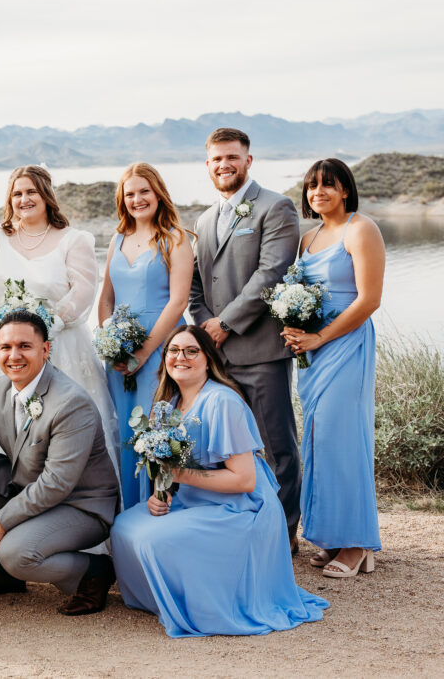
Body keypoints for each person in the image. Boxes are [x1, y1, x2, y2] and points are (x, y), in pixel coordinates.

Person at [0, 165, 120, 553]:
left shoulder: (74, 239)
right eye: (16, 194)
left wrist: (44, 327)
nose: (24, 200)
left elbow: (82, 293)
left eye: (31, 192)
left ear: (46, 194)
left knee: (54, 435)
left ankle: (58, 524)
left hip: (55, 344)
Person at [110, 325, 329, 637]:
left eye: (191, 351)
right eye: (173, 350)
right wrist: (161, 494)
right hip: (194, 501)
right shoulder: (166, 405)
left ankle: (200, 605)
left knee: (152, 540)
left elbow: (244, 480)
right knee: (123, 527)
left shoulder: (221, 401)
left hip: (240, 508)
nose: (180, 357)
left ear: (208, 359)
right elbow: (166, 468)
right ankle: (165, 600)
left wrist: (182, 475)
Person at [0, 311, 120, 615]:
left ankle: (94, 571)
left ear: (45, 350)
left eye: (24, 346)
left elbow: (56, 484)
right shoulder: (1, 389)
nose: (14, 355)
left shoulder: (70, 403)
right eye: (5, 347)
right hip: (32, 491)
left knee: (16, 554)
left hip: (81, 505)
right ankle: (1, 576)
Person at [189, 128, 302, 550]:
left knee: (276, 446)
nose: (224, 165)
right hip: (216, 356)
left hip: (260, 351)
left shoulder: (275, 207)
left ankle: (283, 535)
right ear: (207, 165)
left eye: (232, 157)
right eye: (217, 159)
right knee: (228, 449)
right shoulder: (203, 220)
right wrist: (204, 329)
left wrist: (225, 323)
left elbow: (270, 275)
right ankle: (243, 528)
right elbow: (196, 287)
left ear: (248, 160)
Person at [283, 158, 384, 577]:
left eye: (328, 185)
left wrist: (322, 336)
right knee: (320, 439)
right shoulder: (308, 240)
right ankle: (333, 536)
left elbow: (369, 299)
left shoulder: (361, 229)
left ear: (345, 190)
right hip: (312, 353)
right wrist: (294, 327)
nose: (318, 192)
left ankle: (358, 543)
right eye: (311, 186)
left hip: (345, 345)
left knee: (344, 438)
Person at [98, 163, 194, 510]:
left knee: (157, 432)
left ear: (158, 193)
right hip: (120, 357)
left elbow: (179, 300)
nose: (137, 199)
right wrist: (112, 343)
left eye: (144, 192)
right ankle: (127, 518)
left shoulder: (176, 239)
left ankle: (160, 513)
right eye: (130, 194)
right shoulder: (117, 238)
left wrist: (144, 352)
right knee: (124, 434)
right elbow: (106, 298)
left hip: (162, 350)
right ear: (122, 200)